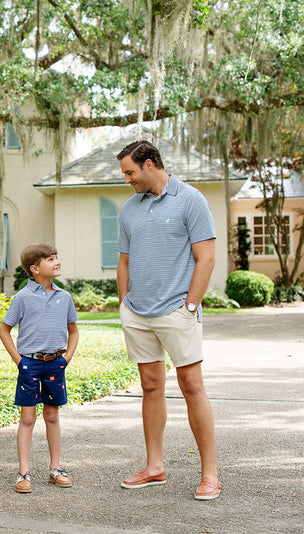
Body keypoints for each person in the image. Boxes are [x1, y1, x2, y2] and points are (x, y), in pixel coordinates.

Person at [115, 140, 220, 501]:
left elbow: (206, 259)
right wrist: (124, 303)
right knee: (149, 386)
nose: (127, 179)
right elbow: (124, 261)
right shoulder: (129, 208)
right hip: (138, 313)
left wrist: (190, 307)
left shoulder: (191, 200)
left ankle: (210, 475)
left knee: (192, 386)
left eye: (130, 172)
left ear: (148, 164)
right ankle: (154, 466)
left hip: (178, 310)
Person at [0, 243, 79, 493]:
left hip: (56, 363)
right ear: (34, 269)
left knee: (53, 416)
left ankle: (56, 468)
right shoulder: (22, 298)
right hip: (29, 365)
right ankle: (23, 473)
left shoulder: (64, 297)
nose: (57, 262)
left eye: (57, 257)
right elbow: (4, 331)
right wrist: (19, 361)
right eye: (50, 259)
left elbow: (74, 331)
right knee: (27, 418)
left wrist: (67, 359)